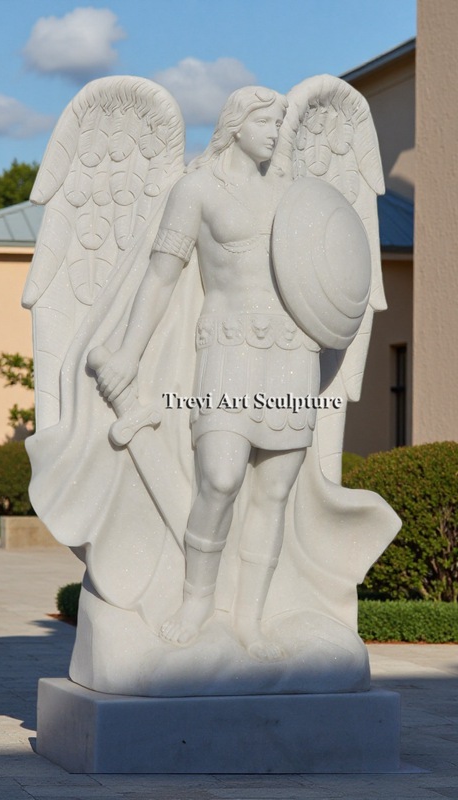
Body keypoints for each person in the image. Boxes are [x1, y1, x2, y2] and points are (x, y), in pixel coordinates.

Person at [91, 86, 316, 660]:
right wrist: (127, 353)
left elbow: (331, 272)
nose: (276, 131)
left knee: (275, 491)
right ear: (237, 124)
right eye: (267, 120)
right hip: (228, 345)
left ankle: (250, 620)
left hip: (293, 350)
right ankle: (196, 600)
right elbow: (162, 278)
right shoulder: (196, 189)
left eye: (282, 122)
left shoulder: (296, 191)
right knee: (219, 478)